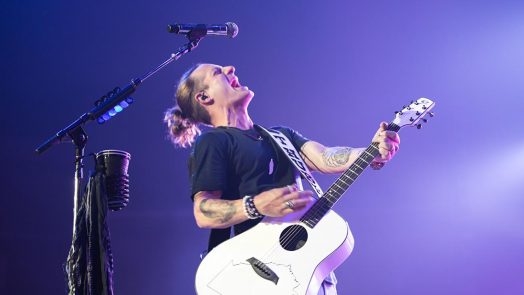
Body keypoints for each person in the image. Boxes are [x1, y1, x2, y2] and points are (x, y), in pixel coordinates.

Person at [164, 63, 400, 294]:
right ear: (204, 97)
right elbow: (203, 211)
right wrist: (255, 205)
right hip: (254, 275)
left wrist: (370, 150)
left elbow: (326, 157)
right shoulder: (214, 142)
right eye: (218, 72)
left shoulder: (281, 136)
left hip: (307, 271)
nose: (230, 69)